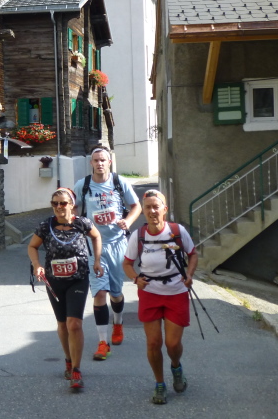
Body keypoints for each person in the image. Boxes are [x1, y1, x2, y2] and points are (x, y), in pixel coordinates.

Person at [123, 189, 198, 405]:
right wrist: (136, 279)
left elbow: (192, 254)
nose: (152, 211)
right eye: (148, 207)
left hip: (176, 291)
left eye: (156, 207)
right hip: (150, 292)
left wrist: (189, 275)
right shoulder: (139, 235)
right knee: (154, 343)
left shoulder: (176, 231)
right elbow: (127, 264)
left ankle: (176, 367)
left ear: (164, 209)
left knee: (173, 344)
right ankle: (159, 383)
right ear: (143, 211)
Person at [28, 188, 103, 389]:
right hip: (55, 281)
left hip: (78, 279)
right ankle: (68, 360)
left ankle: (77, 369)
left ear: (72, 205)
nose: (59, 207)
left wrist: (97, 260)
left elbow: (96, 236)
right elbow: (32, 246)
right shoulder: (46, 226)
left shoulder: (82, 223)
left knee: (74, 324)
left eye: (63, 203)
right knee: (62, 324)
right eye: (55, 203)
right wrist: (37, 265)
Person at [73, 146, 140, 360]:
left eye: (103, 160)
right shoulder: (83, 185)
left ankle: (118, 324)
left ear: (109, 162)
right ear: (91, 163)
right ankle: (103, 342)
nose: (100, 163)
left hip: (117, 244)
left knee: (116, 293)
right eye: (96, 160)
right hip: (94, 246)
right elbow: (74, 209)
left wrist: (128, 221)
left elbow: (136, 206)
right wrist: (78, 226)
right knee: (100, 293)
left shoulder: (119, 182)